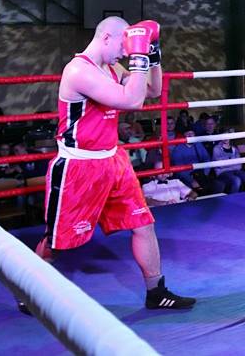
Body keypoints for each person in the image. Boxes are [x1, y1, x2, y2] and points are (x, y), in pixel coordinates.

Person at [21, 16, 194, 314]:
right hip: (79, 167)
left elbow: (152, 91)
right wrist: (139, 56)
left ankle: (156, 292)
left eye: (130, 49)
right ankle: (28, 291)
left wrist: (152, 54)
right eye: (123, 47)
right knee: (56, 242)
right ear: (105, 38)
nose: (126, 53)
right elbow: (132, 101)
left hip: (114, 161)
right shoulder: (78, 70)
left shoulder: (113, 68)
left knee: (144, 225)